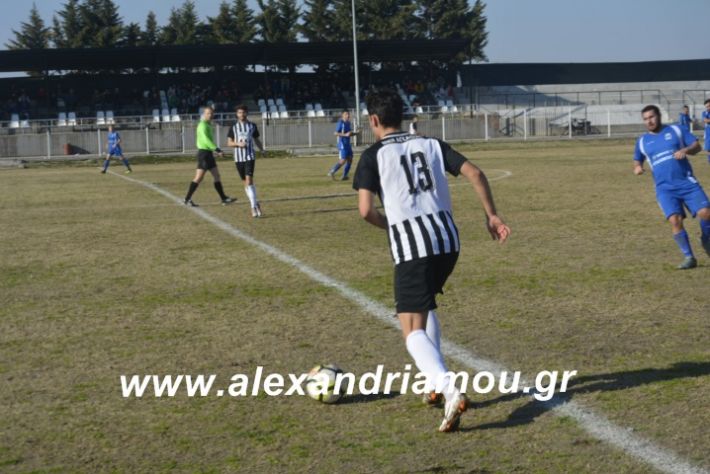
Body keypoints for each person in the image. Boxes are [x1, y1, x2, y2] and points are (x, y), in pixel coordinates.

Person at [353, 89, 510, 432]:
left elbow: (366, 211)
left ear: (373, 120)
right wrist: (492, 216)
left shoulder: (372, 156)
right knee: (426, 306)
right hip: (448, 242)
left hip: (414, 247)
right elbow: (476, 173)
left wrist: (391, 225)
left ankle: (450, 388)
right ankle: (433, 384)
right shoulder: (432, 144)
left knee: (411, 330)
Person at [633, 104, 710, 269]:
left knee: (706, 213)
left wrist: (686, 150)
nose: (649, 121)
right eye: (645, 119)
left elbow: (696, 146)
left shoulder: (676, 130)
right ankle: (689, 257)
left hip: (686, 182)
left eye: (651, 117)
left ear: (659, 116)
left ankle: (706, 239)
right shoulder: (642, 141)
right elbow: (637, 158)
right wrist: (637, 167)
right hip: (664, 189)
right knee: (675, 220)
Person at [183, 106, 236, 207]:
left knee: (217, 176)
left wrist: (214, 150)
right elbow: (205, 140)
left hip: (208, 154)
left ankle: (224, 199)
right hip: (204, 154)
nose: (210, 115)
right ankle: (187, 199)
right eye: (208, 113)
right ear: (204, 114)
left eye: (211, 113)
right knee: (199, 178)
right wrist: (217, 150)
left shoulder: (208, 125)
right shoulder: (202, 125)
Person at [227, 104, 265, 218]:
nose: (241, 114)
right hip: (238, 158)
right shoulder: (233, 127)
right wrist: (238, 144)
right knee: (246, 183)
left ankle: (253, 207)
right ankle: (256, 203)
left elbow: (256, 139)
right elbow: (229, 143)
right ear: (236, 114)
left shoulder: (252, 126)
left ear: (247, 113)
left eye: (243, 112)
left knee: (249, 181)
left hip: (250, 156)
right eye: (239, 112)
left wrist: (262, 150)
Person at [327, 110, 355, 181]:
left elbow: (348, 133)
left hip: (348, 144)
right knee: (343, 160)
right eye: (346, 114)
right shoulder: (340, 123)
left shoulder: (348, 123)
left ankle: (344, 176)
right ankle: (332, 171)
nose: (348, 115)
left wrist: (355, 133)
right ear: (342, 115)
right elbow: (335, 133)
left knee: (350, 159)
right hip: (343, 144)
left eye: (348, 114)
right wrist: (345, 134)